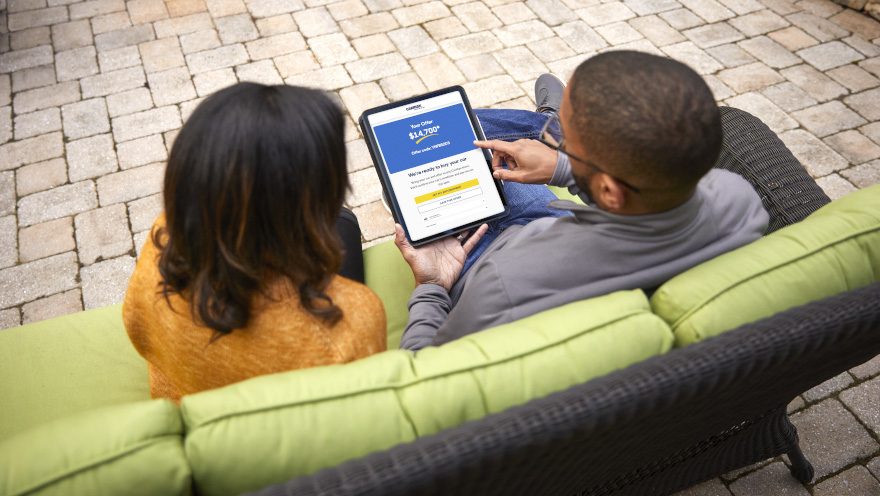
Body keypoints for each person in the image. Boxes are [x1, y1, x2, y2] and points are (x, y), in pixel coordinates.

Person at [396, 51, 770, 350]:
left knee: (426, 141)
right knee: (464, 130)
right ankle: (548, 121)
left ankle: (542, 121)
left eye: (564, 140)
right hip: (561, 228)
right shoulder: (739, 200)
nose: (557, 147)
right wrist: (564, 168)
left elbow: (425, 382)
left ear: (609, 191)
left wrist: (431, 284)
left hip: (474, 257)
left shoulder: (503, 285)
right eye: (559, 134)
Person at [123, 83, 386, 404]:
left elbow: (137, 329)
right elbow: (364, 405)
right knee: (343, 223)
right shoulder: (352, 322)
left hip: (187, 406)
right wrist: (428, 286)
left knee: (342, 222)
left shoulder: (162, 241)